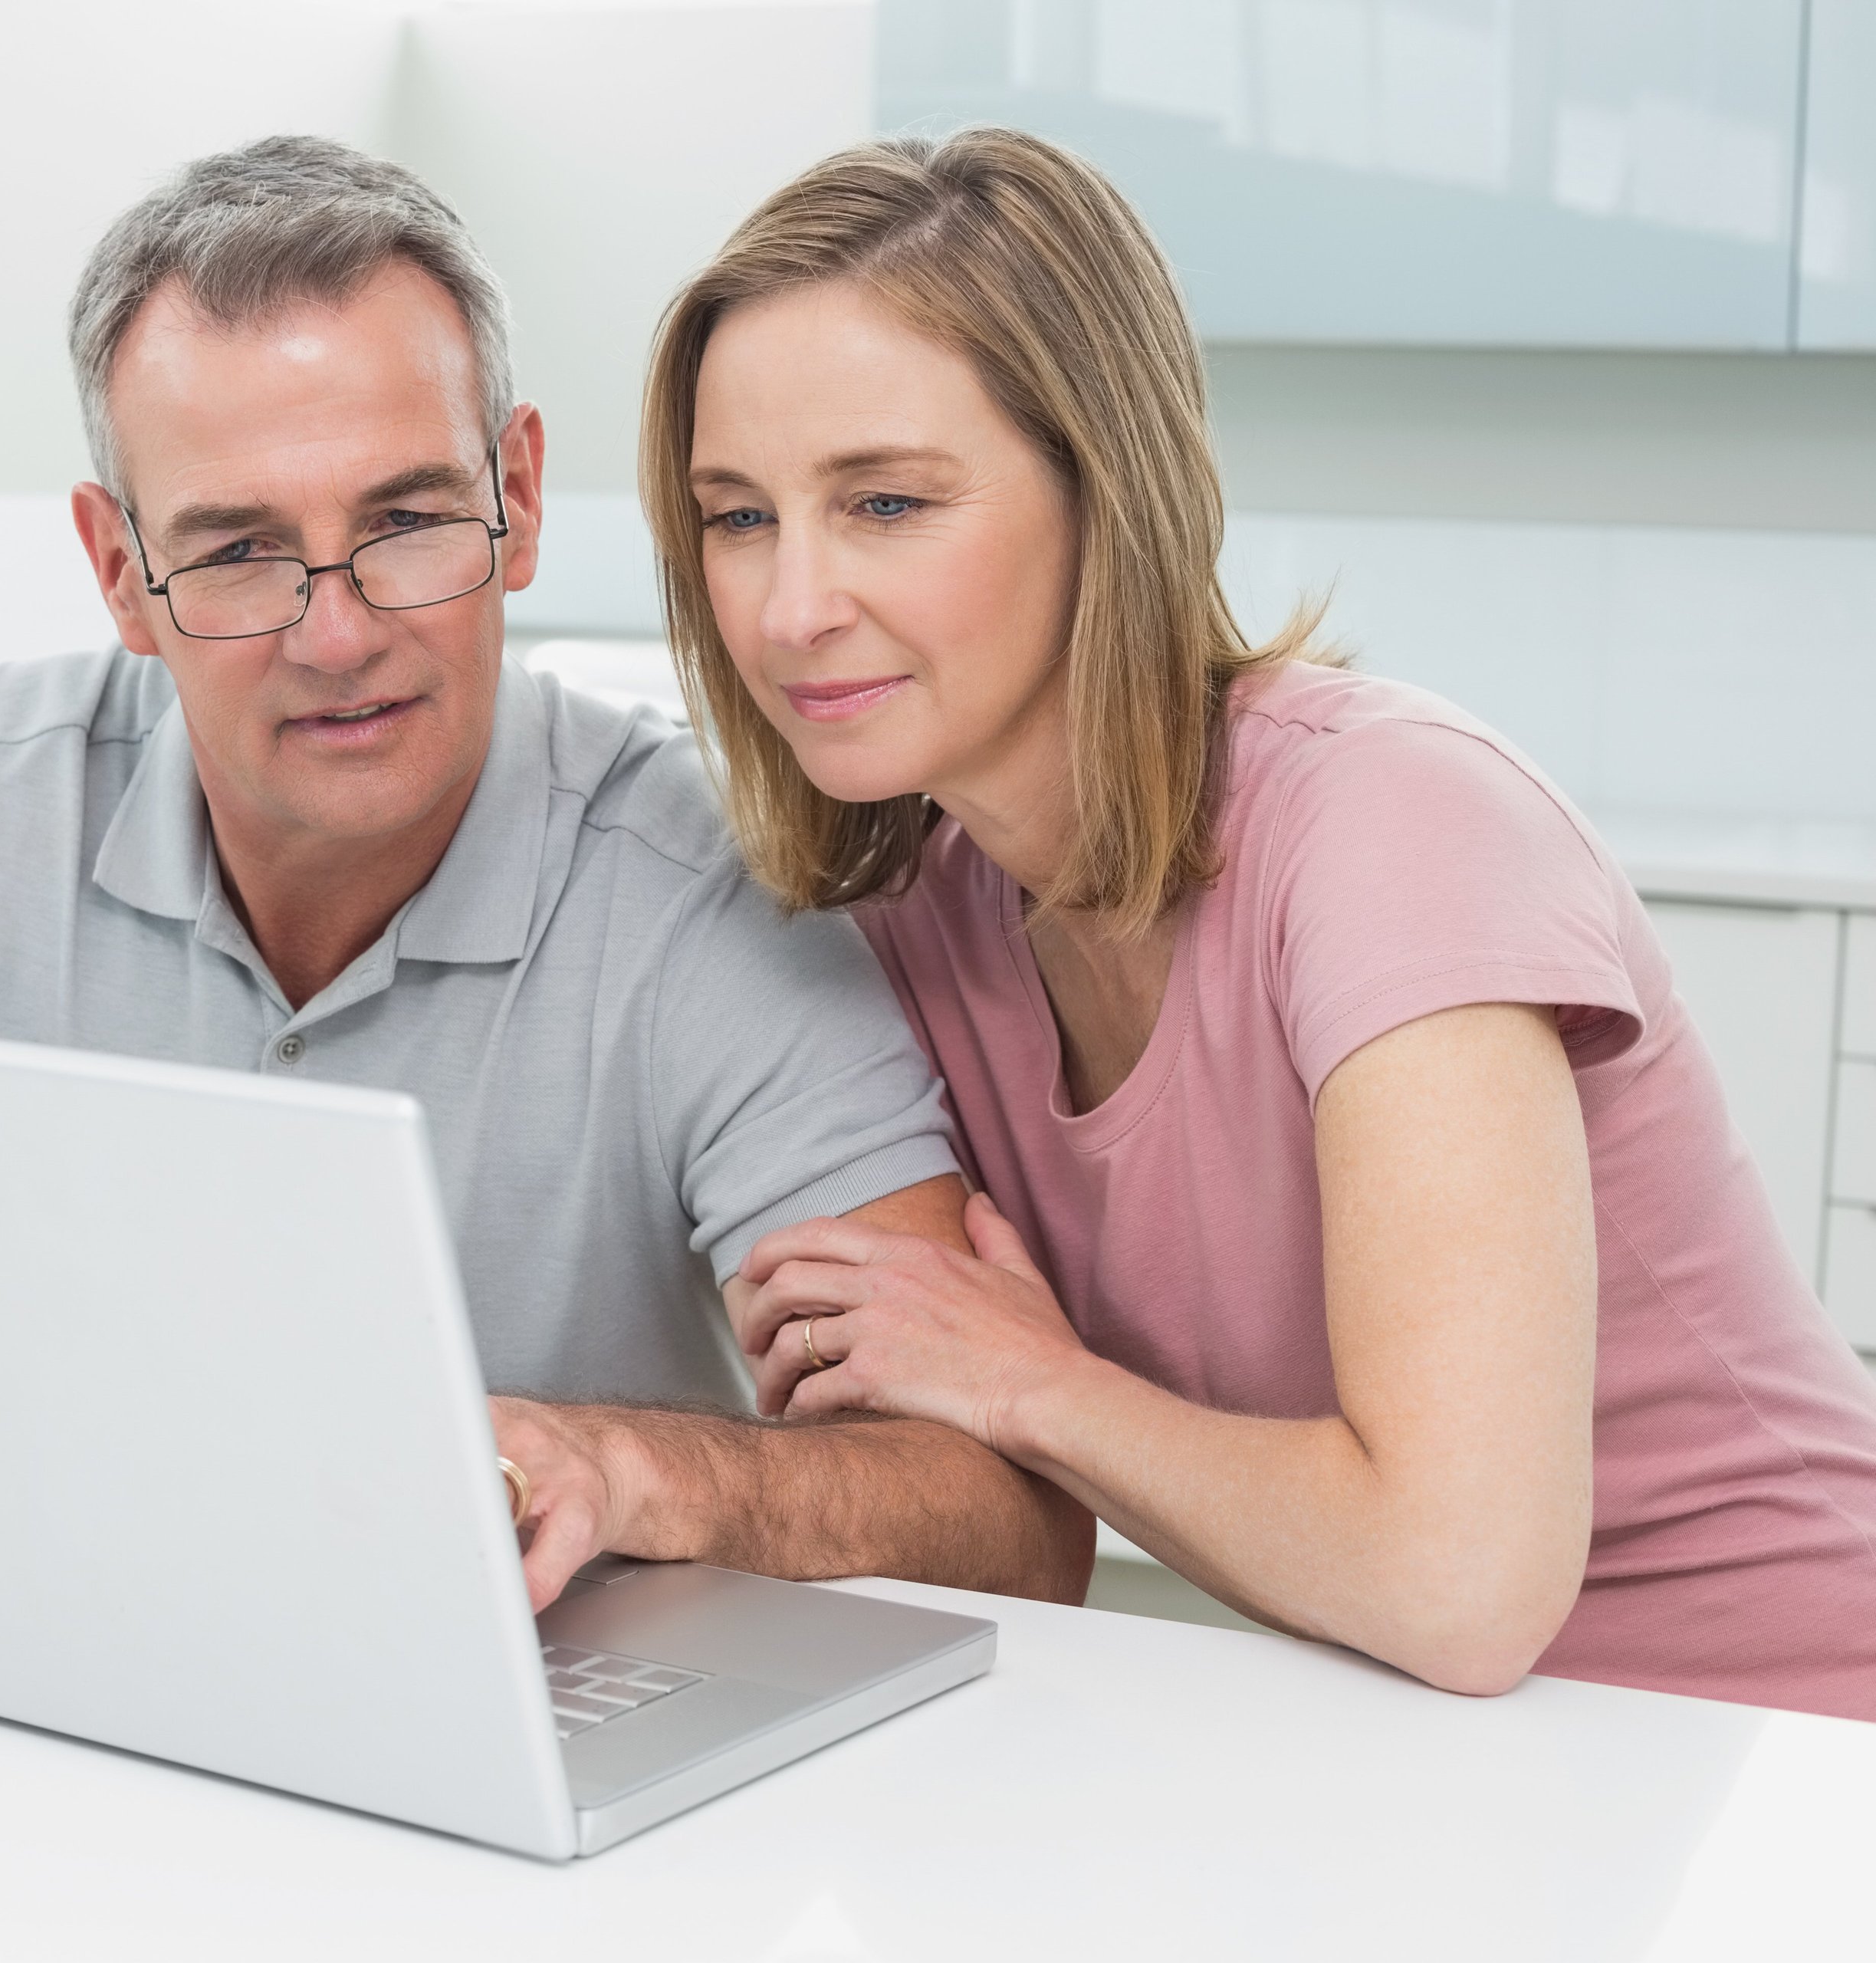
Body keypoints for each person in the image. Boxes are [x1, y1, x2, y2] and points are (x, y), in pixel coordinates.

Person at [0, 136, 1090, 1613]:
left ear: (522, 497)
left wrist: (629, 1466)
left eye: (410, 521)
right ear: (119, 574)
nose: (337, 633)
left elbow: (1009, 1519)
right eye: (234, 552)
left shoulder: (709, 894)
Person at [641, 127, 1876, 1717]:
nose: (790, 604)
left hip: (1796, 1760)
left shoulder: (1391, 826)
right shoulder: (917, 930)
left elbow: (1461, 1581)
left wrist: (1032, 1382)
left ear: (1109, 489)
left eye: (885, 501)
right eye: (737, 516)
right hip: (1429, 1756)